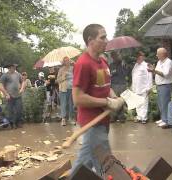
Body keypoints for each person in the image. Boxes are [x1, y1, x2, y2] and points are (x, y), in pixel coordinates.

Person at [70, 24, 124, 176]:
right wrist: (107, 103)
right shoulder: (83, 64)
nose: (107, 40)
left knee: (84, 162)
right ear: (90, 40)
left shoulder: (103, 61)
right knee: (106, 166)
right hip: (92, 123)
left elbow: (106, 86)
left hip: (103, 120)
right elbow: (77, 98)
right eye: (102, 37)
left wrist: (113, 97)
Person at [148, 48, 172, 127]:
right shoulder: (159, 62)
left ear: (163, 54)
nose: (156, 55)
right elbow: (156, 72)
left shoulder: (168, 62)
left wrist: (154, 71)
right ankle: (163, 118)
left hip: (165, 85)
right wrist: (153, 70)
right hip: (159, 85)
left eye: (158, 54)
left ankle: (166, 120)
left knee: (165, 103)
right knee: (160, 103)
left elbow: (165, 74)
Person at [0, 64, 24, 128]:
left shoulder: (18, 74)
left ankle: (18, 122)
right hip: (9, 96)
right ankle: (12, 124)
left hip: (18, 95)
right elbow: (0, 85)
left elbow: (23, 82)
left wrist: (21, 89)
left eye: (15, 67)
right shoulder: (5, 76)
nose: (15, 68)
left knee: (19, 110)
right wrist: (6, 94)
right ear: (9, 68)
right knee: (10, 111)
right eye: (13, 67)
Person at [131, 51, 153, 124]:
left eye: (140, 56)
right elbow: (133, 76)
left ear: (143, 57)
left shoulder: (146, 65)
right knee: (138, 103)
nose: (138, 58)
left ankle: (144, 118)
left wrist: (149, 87)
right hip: (136, 87)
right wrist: (132, 87)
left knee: (144, 103)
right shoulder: (136, 65)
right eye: (137, 57)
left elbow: (150, 76)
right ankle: (139, 116)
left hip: (144, 87)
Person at [109, 51, 128, 123]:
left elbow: (126, 73)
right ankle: (113, 117)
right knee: (114, 101)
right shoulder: (111, 65)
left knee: (122, 101)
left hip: (122, 84)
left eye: (117, 55)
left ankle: (122, 117)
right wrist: (112, 73)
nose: (115, 57)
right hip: (114, 84)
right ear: (112, 57)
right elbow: (109, 74)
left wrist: (124, 66)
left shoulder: (123, 64)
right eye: (113, 56)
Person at [57, 57, 74, 126]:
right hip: (63, 89)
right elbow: (58, 80)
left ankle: (70, 118)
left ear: (70, 61)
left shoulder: (73, 68)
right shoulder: (61, 70)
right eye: (65, 61)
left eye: (68, 60)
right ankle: (63, 119)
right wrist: (63, 77)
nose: (67, 62)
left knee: (71, 104)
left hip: (72, 88)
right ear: (63, 62)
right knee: (63, 104)